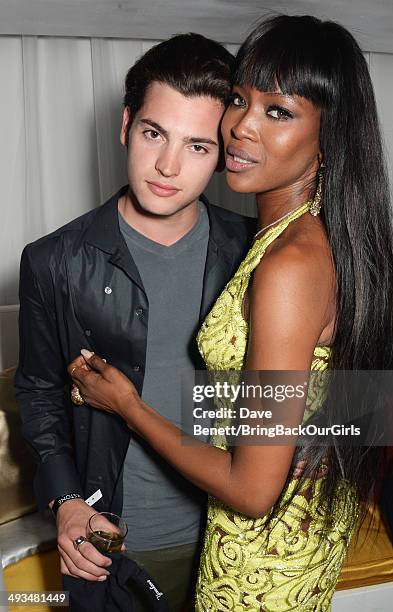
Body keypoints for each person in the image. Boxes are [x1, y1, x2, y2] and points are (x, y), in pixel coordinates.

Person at [68, 15, 393, 610]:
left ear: (331, 135)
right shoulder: (305, 239)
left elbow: (251, 489)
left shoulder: (291, 265)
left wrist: (127, 407)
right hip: (294, 550)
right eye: (241, 99)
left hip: (257, 572)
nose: (241, 127)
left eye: (279, 112)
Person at [15, 33, 254, 611]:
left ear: (223, 153)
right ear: (126, 125)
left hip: (237, 540)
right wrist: (67, 503)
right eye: (154, 134)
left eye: (197, 146)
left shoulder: (256, 251)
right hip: (111, 539)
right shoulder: (53, 260)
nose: (168, 166)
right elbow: (41, 394)